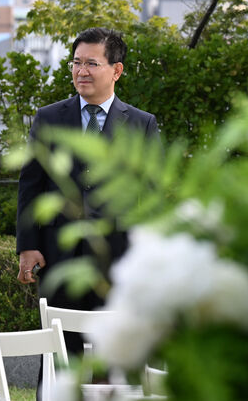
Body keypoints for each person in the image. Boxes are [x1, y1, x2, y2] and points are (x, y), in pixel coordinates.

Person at [16, 27, 159, 353]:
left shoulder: (141, 124)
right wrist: (28, 246)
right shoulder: (49, 118)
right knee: (60, 354)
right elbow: (30, 186)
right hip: (59, 256)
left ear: (116, 70)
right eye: (76, 62)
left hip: (118, 259)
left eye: (92, 63)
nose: (81, 71)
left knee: (115, 353)